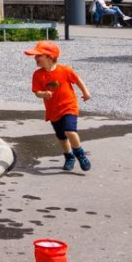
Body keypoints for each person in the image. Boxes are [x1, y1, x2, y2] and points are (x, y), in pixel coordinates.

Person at [25, 40, 93, 171]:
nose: (35, 58)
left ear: (50, 57)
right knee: (61, 136)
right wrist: (42, 94)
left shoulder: (65, 70)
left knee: (70, 131)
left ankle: (80, 154)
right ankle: (69, 156)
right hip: (53, 110)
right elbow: (36, 92)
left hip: (69, 106)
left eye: (39, 55)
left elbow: (77, 80)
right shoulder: (38, 74)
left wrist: (86, 92)